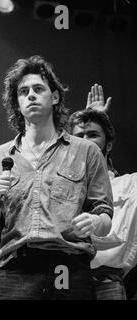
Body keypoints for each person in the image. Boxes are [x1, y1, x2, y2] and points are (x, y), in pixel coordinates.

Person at [0, 56, 114, 300]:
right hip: (15, 272)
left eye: (38, 89)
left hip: (70, 267)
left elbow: (105, 217)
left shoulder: (86, 151)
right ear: (17, 103)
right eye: (23, 91)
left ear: (55, 97)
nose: (31, 95)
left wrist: (95, 222)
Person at [68, 84, 137, 300]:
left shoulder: (130, 184)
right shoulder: (60, 186)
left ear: (108, 146)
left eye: (93, 135)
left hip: (107, 281)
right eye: (79, 136)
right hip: (63, 278)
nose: (85, 142)